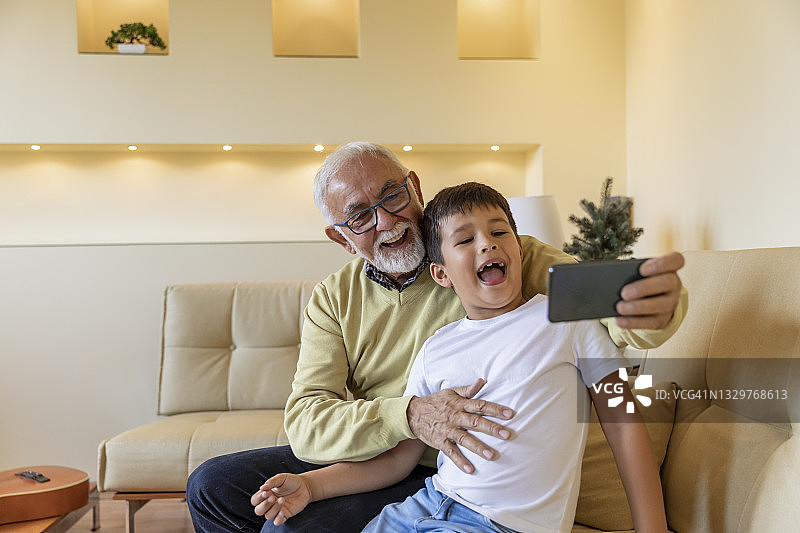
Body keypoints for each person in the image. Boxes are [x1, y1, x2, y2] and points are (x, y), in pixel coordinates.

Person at [187, 142, 687, 532]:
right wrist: (407, 416)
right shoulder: (340, 302)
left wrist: (657, 307)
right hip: (388, 457)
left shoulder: (514, 258)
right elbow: (307, 421)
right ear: (341, 237)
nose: (386, 220)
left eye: (392, 196)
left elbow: (617, 308)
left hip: (453, 479)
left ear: (414, 187)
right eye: (361, 215)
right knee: (210, 486)